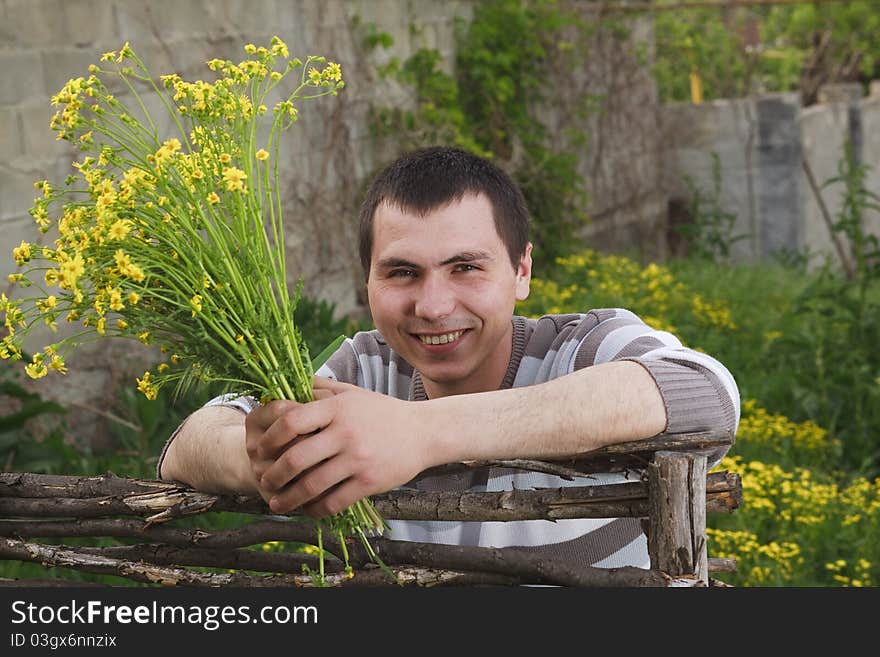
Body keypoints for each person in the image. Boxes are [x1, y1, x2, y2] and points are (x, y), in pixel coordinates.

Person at [158, 146, 739, 569]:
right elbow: (188, 442)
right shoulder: (363, 370)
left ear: (522, 270)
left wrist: (421, 433)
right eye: (402, 273)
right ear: (366, 281)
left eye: (466, 267)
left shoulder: (582, 351)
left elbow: (704, 394)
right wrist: (267, 456)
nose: (433, 307)